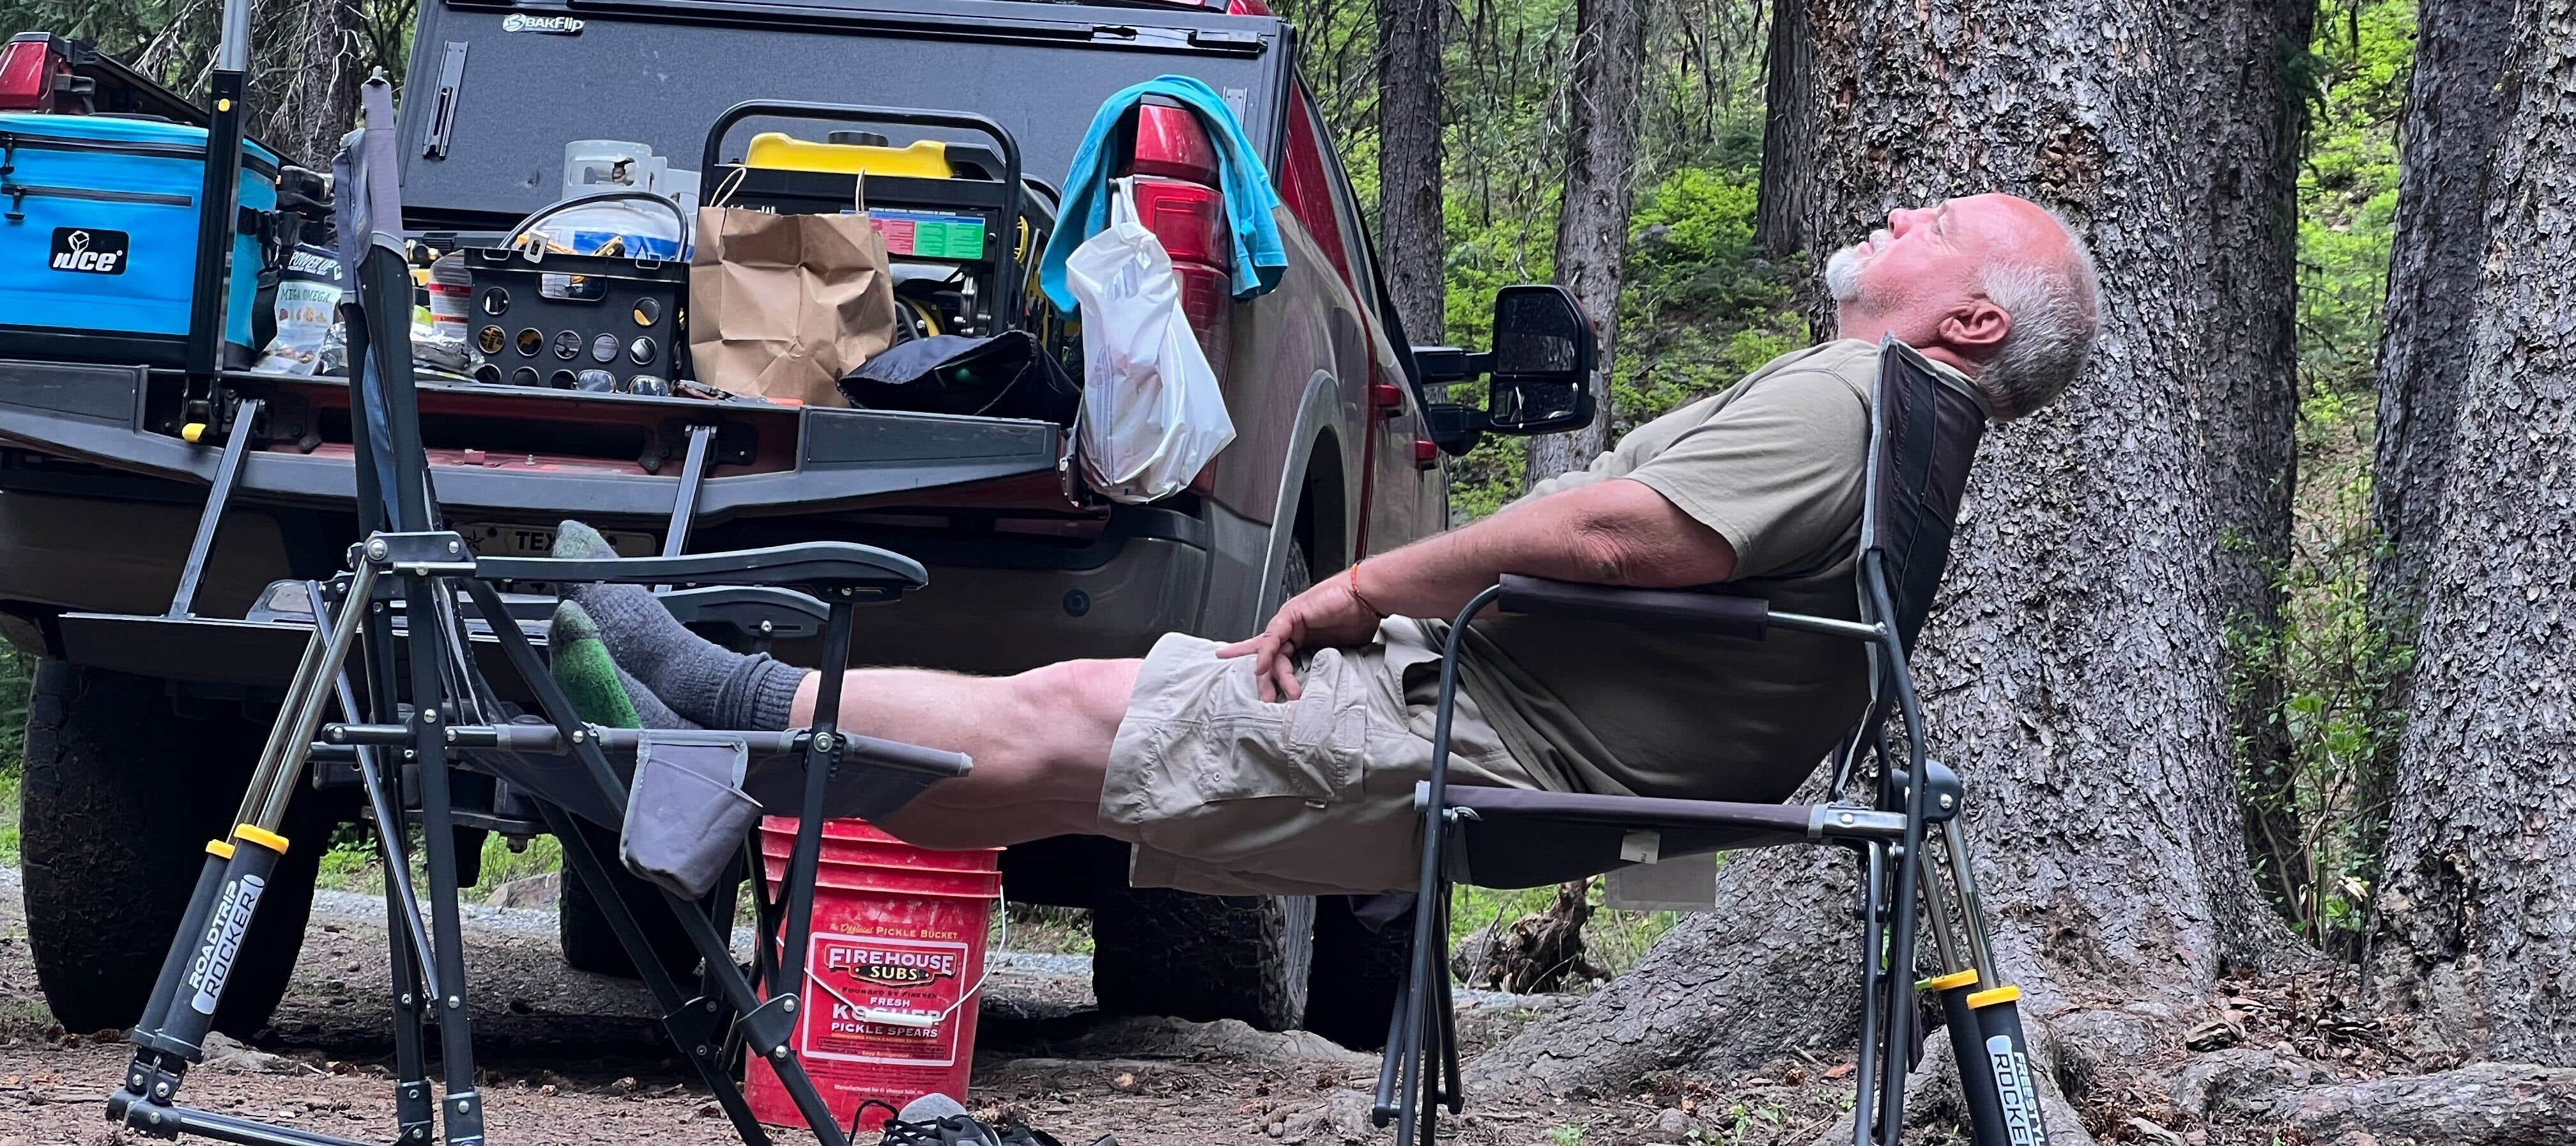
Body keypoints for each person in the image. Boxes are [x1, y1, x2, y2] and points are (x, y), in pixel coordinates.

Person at [548, 192, 2099, 897]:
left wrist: (1353, 588)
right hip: (1533, 739)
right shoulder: (1898, 424)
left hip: (1495, 737)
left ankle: (713, 713)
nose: (1898, 218)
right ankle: (715, 783)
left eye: (1935, 225)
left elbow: (1619, 535)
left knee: (1076, 717)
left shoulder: (1860, 403)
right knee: (1051, 771)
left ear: (1969, 316)